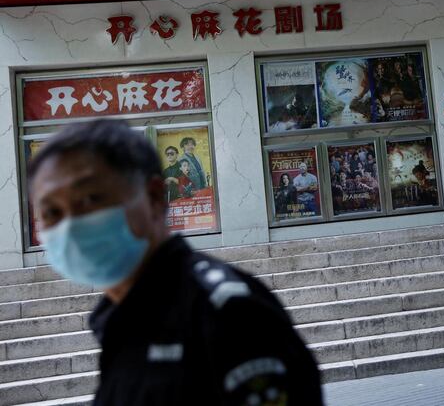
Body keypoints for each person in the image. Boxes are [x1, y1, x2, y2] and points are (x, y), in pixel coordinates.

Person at [28, 119, 323, 406]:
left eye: (90, 198)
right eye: (52, 212)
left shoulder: (226, 312)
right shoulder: (120, 319)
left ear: (154, 197)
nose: (70, 226)